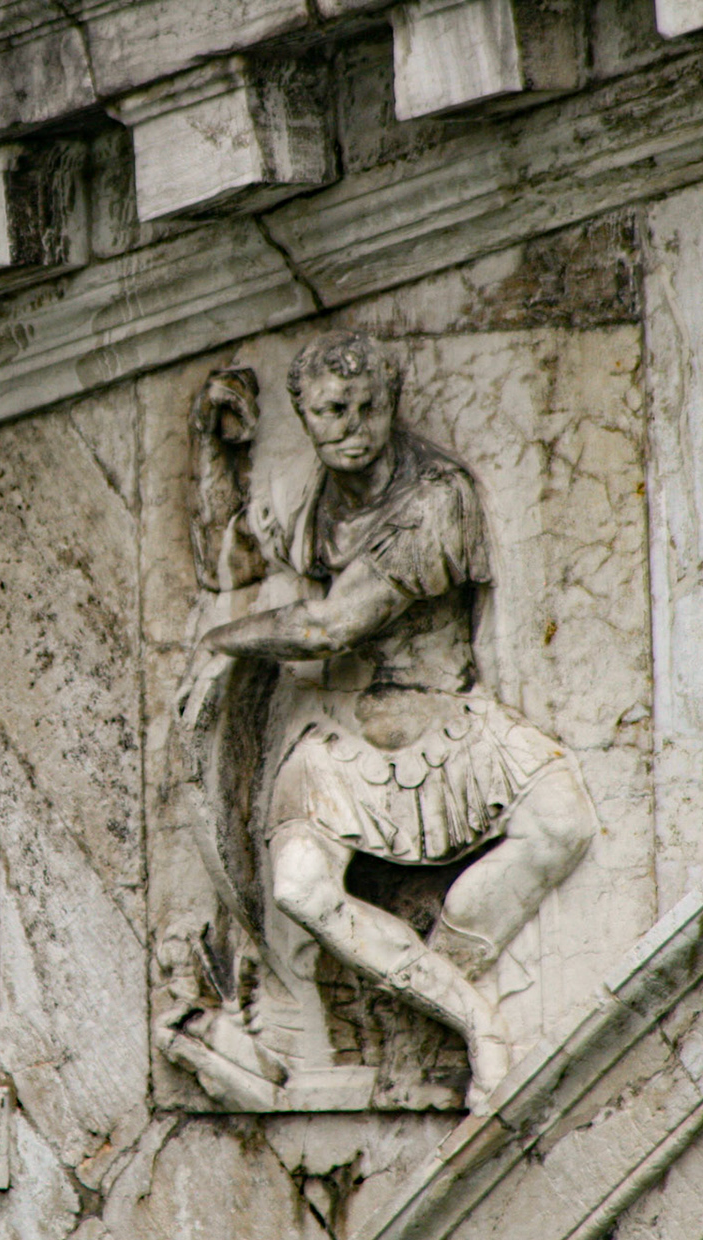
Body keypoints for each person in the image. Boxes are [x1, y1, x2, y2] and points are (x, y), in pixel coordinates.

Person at [187, 330, 597, 1107]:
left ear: (392, 400)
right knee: (300, 889)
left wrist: (223, 642)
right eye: (331, 411)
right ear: (306, 418)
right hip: (347, 741)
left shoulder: (437, 497)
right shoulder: (312, 500)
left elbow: (329, 625)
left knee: (563, 822)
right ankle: (474, 1017)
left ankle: (434, 990)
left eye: (367, 406)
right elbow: (235, 565)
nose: (353, 425)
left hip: (448, 725)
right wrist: (218, 452)